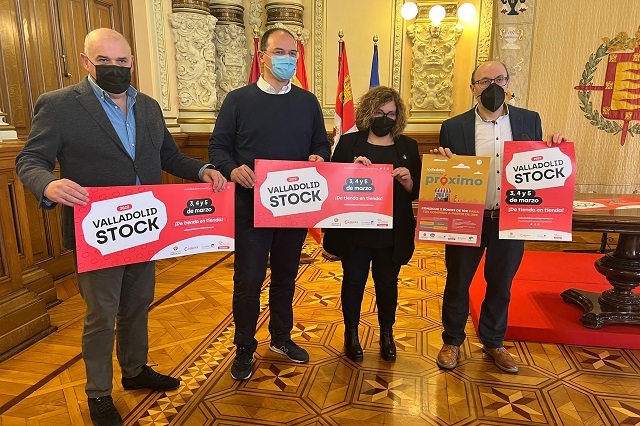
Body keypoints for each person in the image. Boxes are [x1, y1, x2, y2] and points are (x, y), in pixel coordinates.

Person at [15, 28, 227, 426]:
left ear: (132, 62)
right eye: (104, 61)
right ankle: (98, 393)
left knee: (137, 304)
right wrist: (49, 184)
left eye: (122, 60)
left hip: (146, 228)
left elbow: (169, 156)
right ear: (86, 62)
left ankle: (134, 370)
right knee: (102, 315)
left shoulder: (148, 107)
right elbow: (29, 160)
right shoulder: (59, 105)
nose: (114, 67)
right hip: (97, 233)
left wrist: (202, 169)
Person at [208, 27, 330, 380]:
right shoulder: (238, 100)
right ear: (262, 56)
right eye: (280, 52)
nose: (287, 59)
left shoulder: (307, 102)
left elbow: (321, 144)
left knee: (286, 277)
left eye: (293, 54)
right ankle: (244, 346)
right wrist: (232, 169)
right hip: (250, 209)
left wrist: (319, 157)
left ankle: (281, 338)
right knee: (248, 281)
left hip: (294, 207)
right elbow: (217, 148)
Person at [431, 60, 565, 374]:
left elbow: (538, 165)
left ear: (508, 83)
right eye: (484, 81)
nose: (492, 86)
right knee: (458, 281)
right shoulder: (453, 127)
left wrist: (554, 150)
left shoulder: (529, 120)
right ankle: (452, 341)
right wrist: (441, 162)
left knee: (501, 283)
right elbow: (446, 175)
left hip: (511, 217)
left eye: (499, 79)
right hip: (468, 217)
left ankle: (494, 342)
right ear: (473, 88)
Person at [323, 86, 421, 362]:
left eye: (391, 113)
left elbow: (416, 192)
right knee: (353, 282)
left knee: (387, 284)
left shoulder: (408, 146)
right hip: (355, 231)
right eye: (379, 112)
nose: (385, 118)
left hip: (392, 233)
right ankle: (351, 334)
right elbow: (332, 186)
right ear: (368, 112)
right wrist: (351, 170)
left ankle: (387, 334)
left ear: (398, 116)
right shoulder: (348, 143)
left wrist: (407, 181)